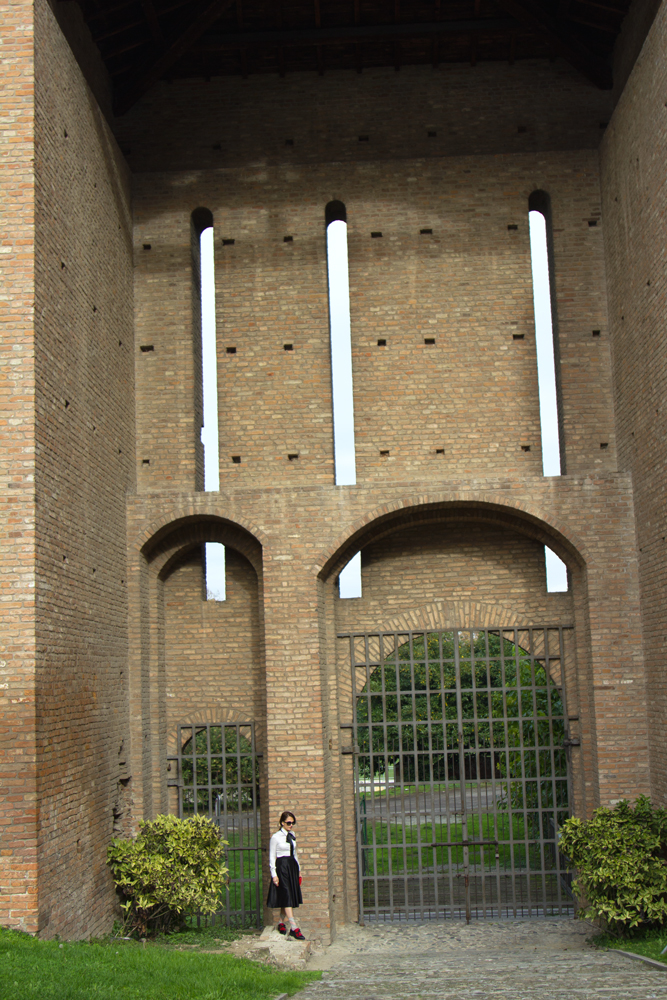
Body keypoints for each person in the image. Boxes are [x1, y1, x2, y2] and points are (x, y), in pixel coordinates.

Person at [266, 810, 305, 940]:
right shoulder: (276, 837)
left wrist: (298, 870)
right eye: (288, 823)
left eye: (293, 823)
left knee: (288, 895)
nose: (291, 825)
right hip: (281, 867)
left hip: (291, 866)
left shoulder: (292, 835)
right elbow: (272, 857)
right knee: (287, 894)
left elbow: (295, 854)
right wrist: (274, 875)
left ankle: (281, 922)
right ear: (282, 823)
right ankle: (294, 927)